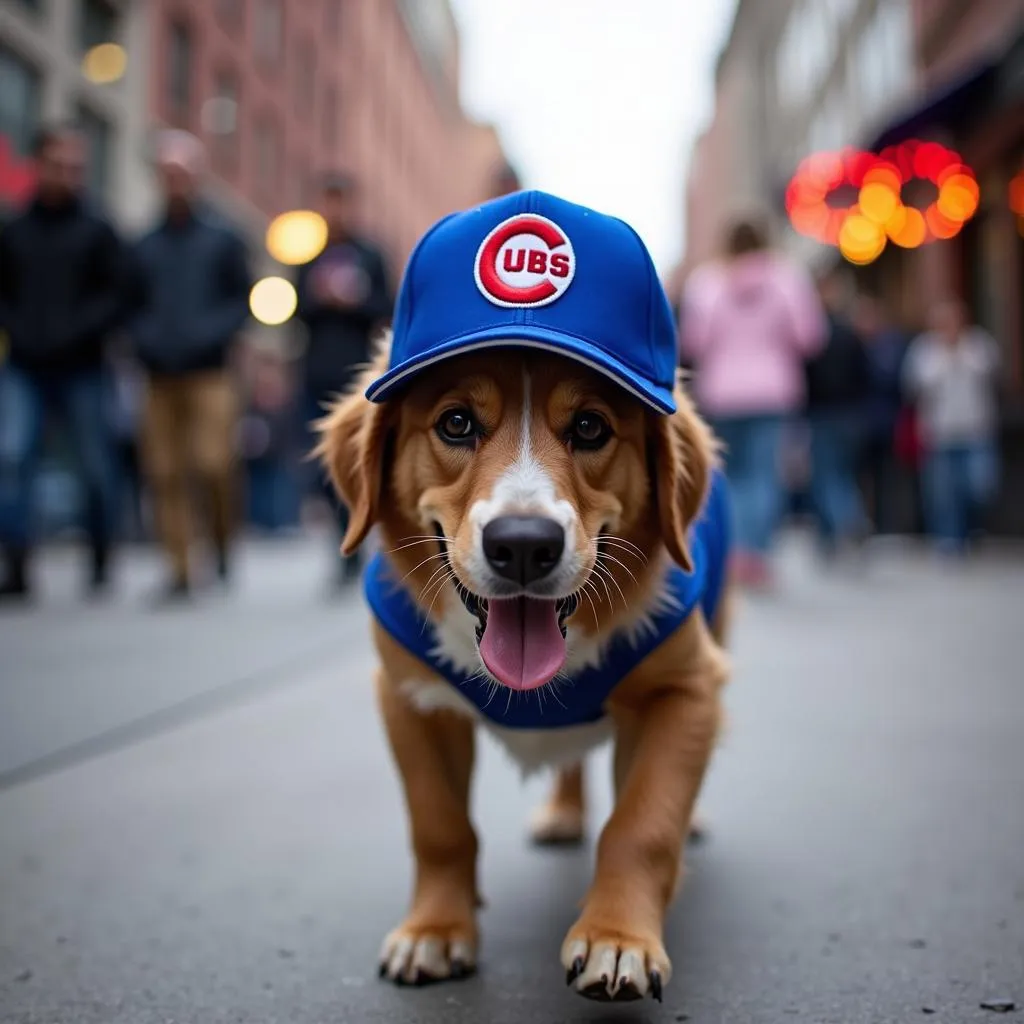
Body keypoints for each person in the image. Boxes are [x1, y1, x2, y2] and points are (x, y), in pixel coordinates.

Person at [0, 122, 126, 601]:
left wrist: (80, 331)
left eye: (77, 167)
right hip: (25, 364)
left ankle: (99, 556)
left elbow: (117, 296)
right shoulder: (15, 228)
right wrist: (21, 330)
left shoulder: (98, 229)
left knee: (96, 464)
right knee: (13, 458)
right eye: (59, 165)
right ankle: (15, 563)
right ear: (39, 164)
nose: (69, 175)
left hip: (84, 366)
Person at [128, 130, 253, 602]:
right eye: (167, 173)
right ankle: (179, 569)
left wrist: (208, 336)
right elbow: (129, 306)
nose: (175, 181)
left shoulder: (223, 240)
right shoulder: (143, 246)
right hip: (157, 375)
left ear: (197, 177)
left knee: (213, 464)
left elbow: (241, 302)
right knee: (164, 471)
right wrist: (146, 340)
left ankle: (221, 543)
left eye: (182, 173)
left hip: (211, 373)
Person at [680, 216, 826, 588]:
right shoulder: (788, 278)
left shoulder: (707, 282)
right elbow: (810, 337)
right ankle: (755, 553)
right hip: (773, 392)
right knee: (766, 476)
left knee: (728, 476)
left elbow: (693, 343)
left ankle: (733, 551)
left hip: (722, 393)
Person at [295, 172, 393, 588]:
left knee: (357, 458)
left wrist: (353, 302)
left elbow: (386, 307)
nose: (333, 211)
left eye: (339, 201)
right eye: (327, 201)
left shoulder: (370, 255)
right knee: (324, 464)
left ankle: (359, 544)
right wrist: (321, 299)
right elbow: (295, 311)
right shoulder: (306, 258)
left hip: (358, 376)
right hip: (316, 372)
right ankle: (341, 543)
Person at [902, 299, 1001, 555]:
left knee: (979, 487)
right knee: (943, 495)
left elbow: (991, 373)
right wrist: (945, 355)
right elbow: (916, 385)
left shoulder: (978, 344)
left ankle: (972, 531)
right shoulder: (924, 350)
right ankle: (949, 541)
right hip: (939, 433)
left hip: (976, 429)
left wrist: (959, 351)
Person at [805, 269, 871, 557]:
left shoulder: (813, 335)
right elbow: (865, 373)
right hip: (848, 414)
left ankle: (846, 523)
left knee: (827, 476)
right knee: (841, 474)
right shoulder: (849, 332)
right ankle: (841, 527)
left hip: (823, 414)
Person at [852, 294, 913, 537]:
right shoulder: (854, 344)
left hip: (888, 422)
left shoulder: (892, 345)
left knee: (888, 475)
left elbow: (897, 381)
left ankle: (889, 524)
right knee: (863, 476)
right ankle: (869, 523)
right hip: (860, 422)